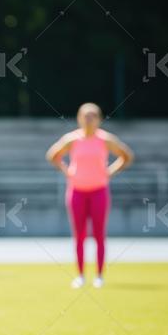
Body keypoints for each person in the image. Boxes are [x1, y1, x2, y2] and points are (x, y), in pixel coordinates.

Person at [46, 103, 133, 289]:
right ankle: (80, 276)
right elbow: (52, 155)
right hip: (77, 191)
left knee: (99, 235)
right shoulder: (72, 140)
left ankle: (99, 275)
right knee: (80, 236)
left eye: (93, 116)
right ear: (79, 118)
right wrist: (66, 170)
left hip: (99, 191)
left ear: (99, 119)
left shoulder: (105, 139)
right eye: (85, 116)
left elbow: (127, 156)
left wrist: (110, 172)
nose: (89, 119)